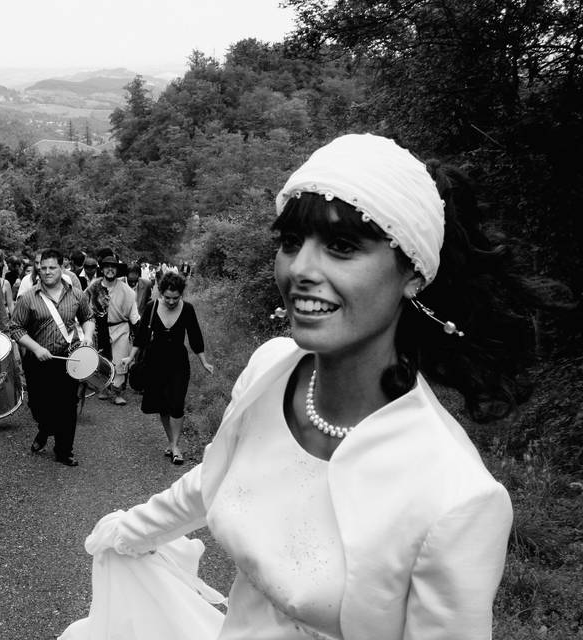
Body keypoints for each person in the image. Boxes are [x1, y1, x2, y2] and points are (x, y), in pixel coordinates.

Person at [78, 134, 522, 639]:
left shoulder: (456, 497)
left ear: (413, 275)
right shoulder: (271, 368)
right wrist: (124, 534)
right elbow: (220, 477)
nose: (300, 271)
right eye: (291, 243)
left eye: (342, 246)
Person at [8, 249, 95, 467]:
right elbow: (15, 328)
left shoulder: (76, 294)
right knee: (39, 406)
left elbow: (89, 317)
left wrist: (88, 337)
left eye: (52, 267)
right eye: (43, 267)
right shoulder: (28, 297)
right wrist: (35, 348)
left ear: (62, 267)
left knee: (68, 405)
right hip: (38, 360)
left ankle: (64, 450)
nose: (47, 272)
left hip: (68, 360)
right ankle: (45, 428)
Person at [124, 272, 213, 463]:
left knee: (177, 403)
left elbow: (195, 336)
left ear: (181, 294)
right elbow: (141, 336)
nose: (171, 302)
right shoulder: (151, 306)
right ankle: (172, 443)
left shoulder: (188, 309)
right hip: (155, 362)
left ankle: (175, 446)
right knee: (163, 405)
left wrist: (204, 361)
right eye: (167, 298)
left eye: (176, 298)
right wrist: (130, 357)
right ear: (161, 293)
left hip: (178, 362)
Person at [86, 255, 141, 405]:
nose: (110, 269)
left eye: (113, 266)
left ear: (117, 270)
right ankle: (103, 388)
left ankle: (118, 392)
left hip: (121, 328)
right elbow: (84, 307)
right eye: (107, 266)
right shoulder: (94, 287)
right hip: (100, 329)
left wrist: (141, 329)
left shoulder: (127, 291)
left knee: (120, 360)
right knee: (102, 360)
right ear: (102, 269)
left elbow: (134, 314)